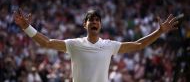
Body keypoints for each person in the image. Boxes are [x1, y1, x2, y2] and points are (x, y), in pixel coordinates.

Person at [13, 8, 179, 82]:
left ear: (100, 25)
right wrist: (26, 27)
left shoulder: (109, 45)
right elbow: (47, 43)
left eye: (97, 20)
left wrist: (160, 32)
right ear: (85, 25)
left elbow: (138, 44)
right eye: (91, 20)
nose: (94, 22)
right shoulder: (74, 44)